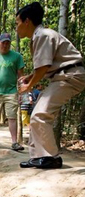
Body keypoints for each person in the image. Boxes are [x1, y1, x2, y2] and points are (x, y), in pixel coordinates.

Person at [16, 2, 85, 168]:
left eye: (17, 23)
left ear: (27, 21)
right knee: (36, 115)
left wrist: (29, 85)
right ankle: (38, 156)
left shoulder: (43, 35)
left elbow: (44, 67)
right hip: (62, 75)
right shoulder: (39, 36)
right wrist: (32, 76)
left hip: (70, 75)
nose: (16, 27)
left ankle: (51, 157)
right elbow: (48, 66)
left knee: (40, 115)